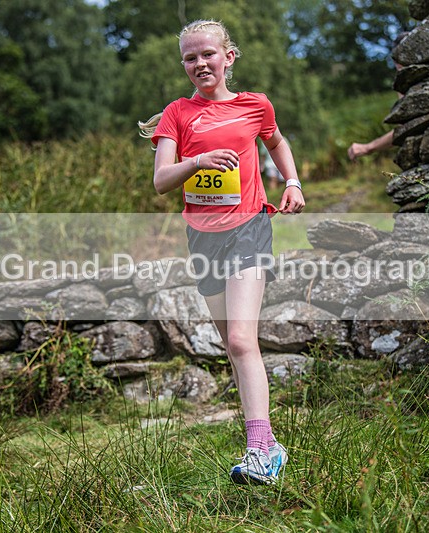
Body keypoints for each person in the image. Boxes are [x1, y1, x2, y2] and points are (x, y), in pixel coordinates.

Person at [138, 19, 305, 485]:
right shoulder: (176, 114)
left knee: (239, 341)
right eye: (189, 58)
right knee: (232, 344)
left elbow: (276, 141)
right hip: (202, 236)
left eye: (207, 54)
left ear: (228, 57)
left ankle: (257, 451)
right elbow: (160, 182)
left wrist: (291, 181)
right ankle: (270, 446)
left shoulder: (255, 105)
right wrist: (196, 162)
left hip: (249, 229)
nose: (198, 64)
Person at [347, 31, 409, 162]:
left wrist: (368, 147)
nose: (398, 64)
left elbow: (408, 128)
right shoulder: (403, 84)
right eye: (396, 58)